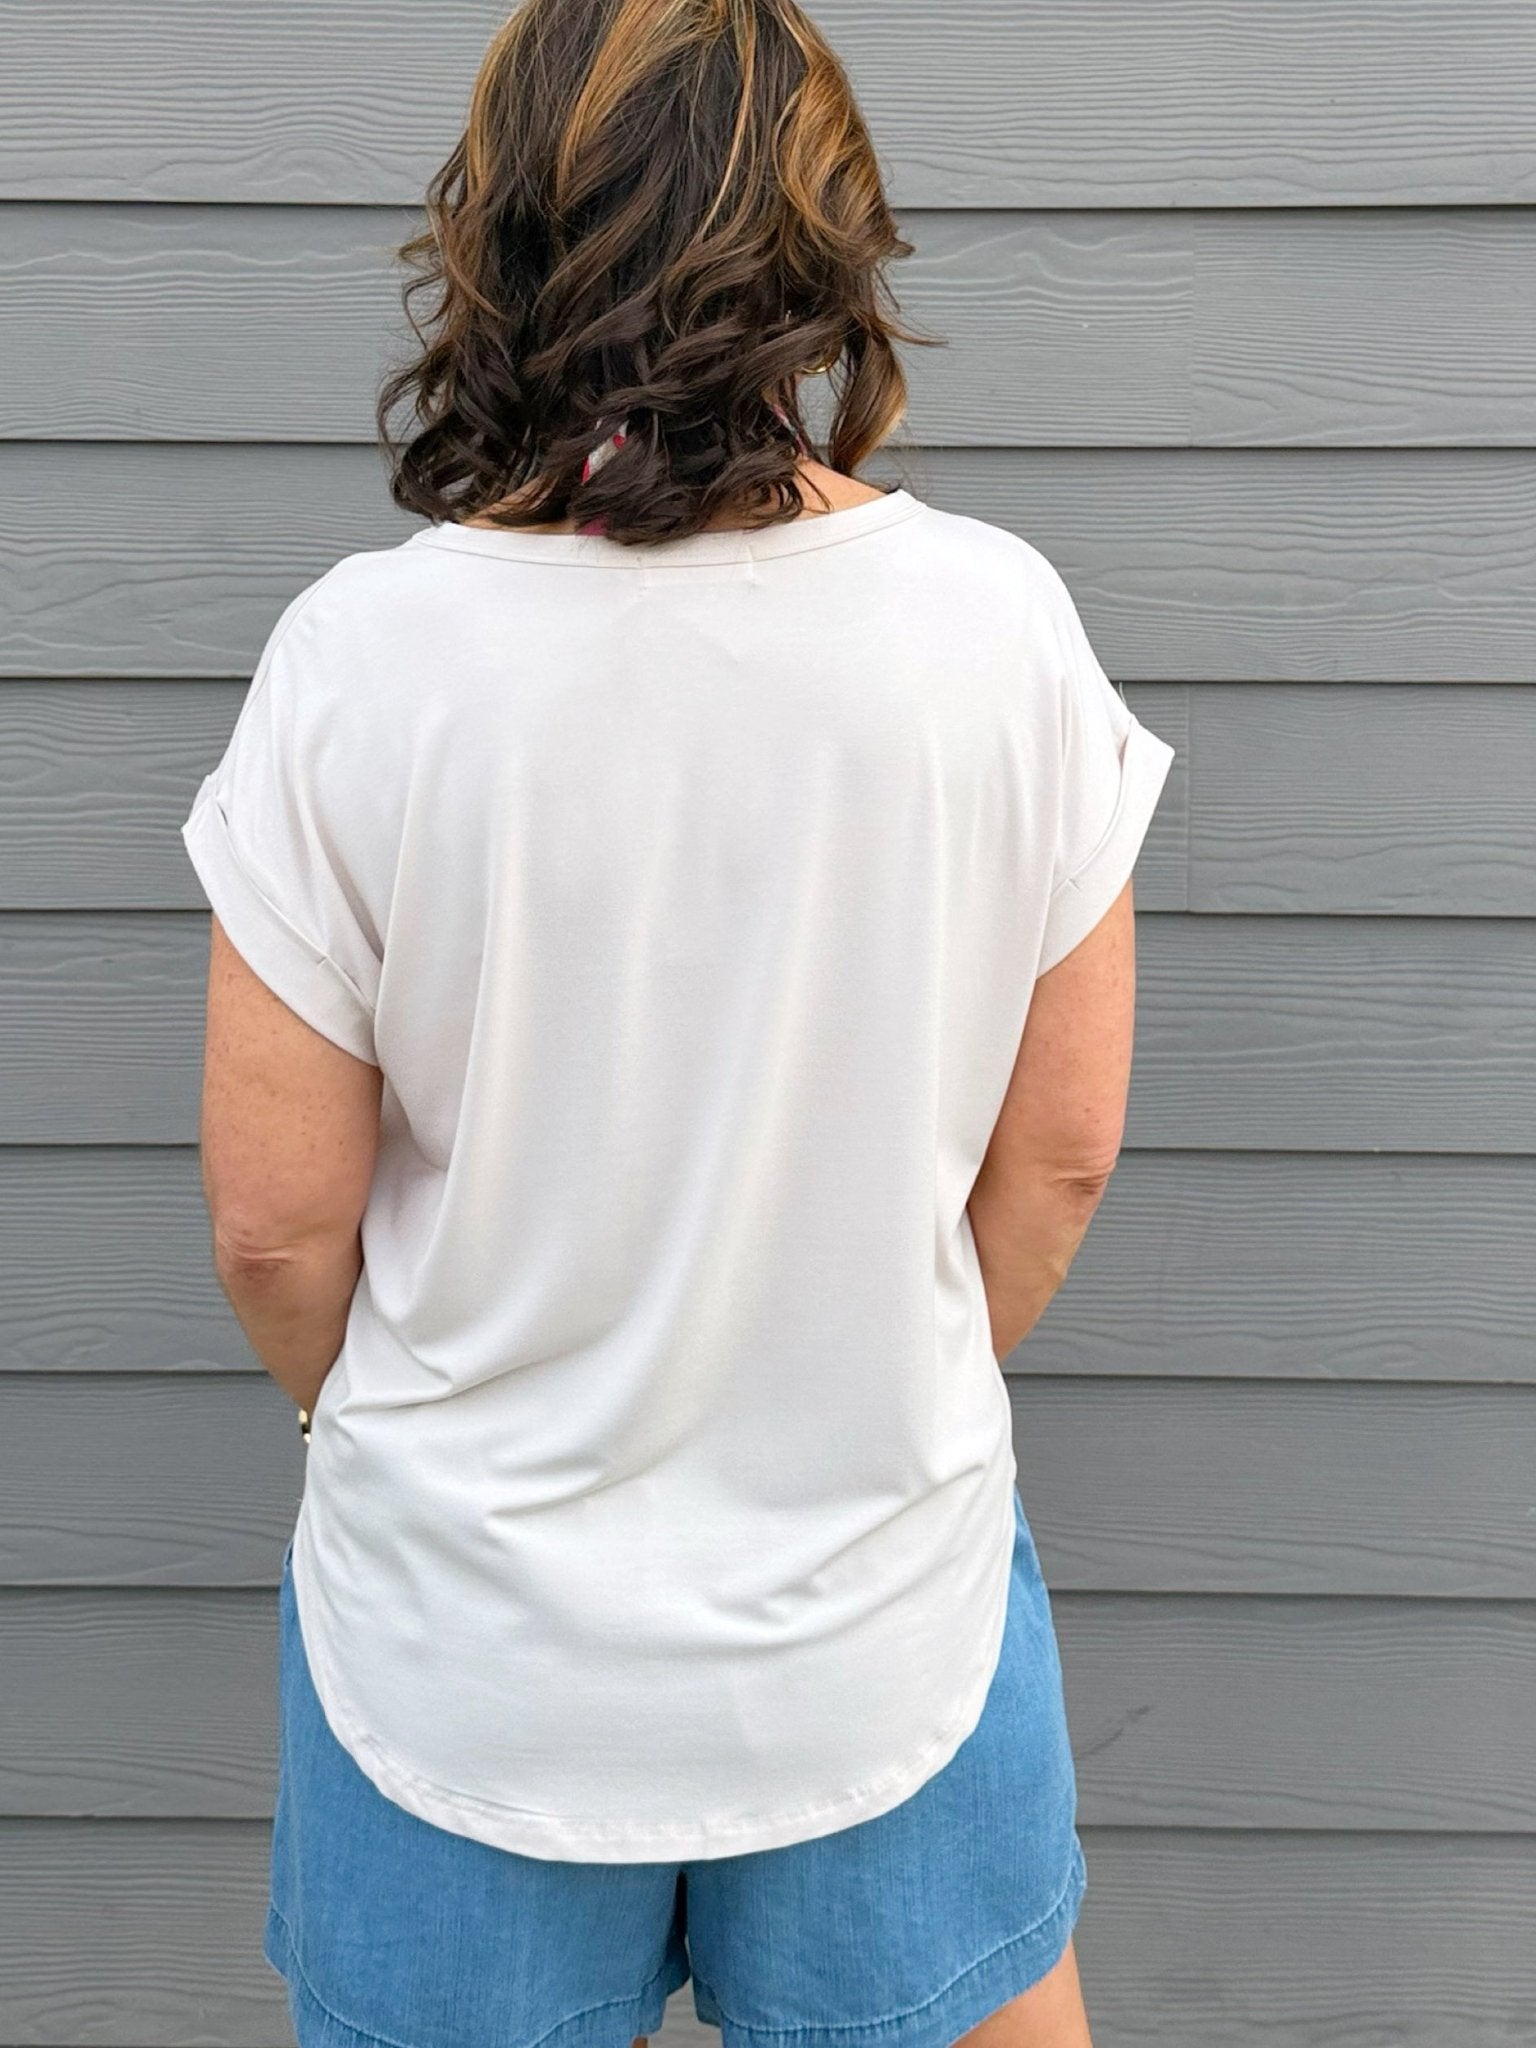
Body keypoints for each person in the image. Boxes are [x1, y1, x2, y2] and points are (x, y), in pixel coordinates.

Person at [179, 3, 1175, 2045]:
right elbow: (1062, 1154)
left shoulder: (364, 659)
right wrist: (867, 1376)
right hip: (876, 1627)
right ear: (821, 241)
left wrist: (378, 1431)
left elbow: (278, 1228)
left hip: (464, 1652)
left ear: (506, 230)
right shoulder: (996, 629)